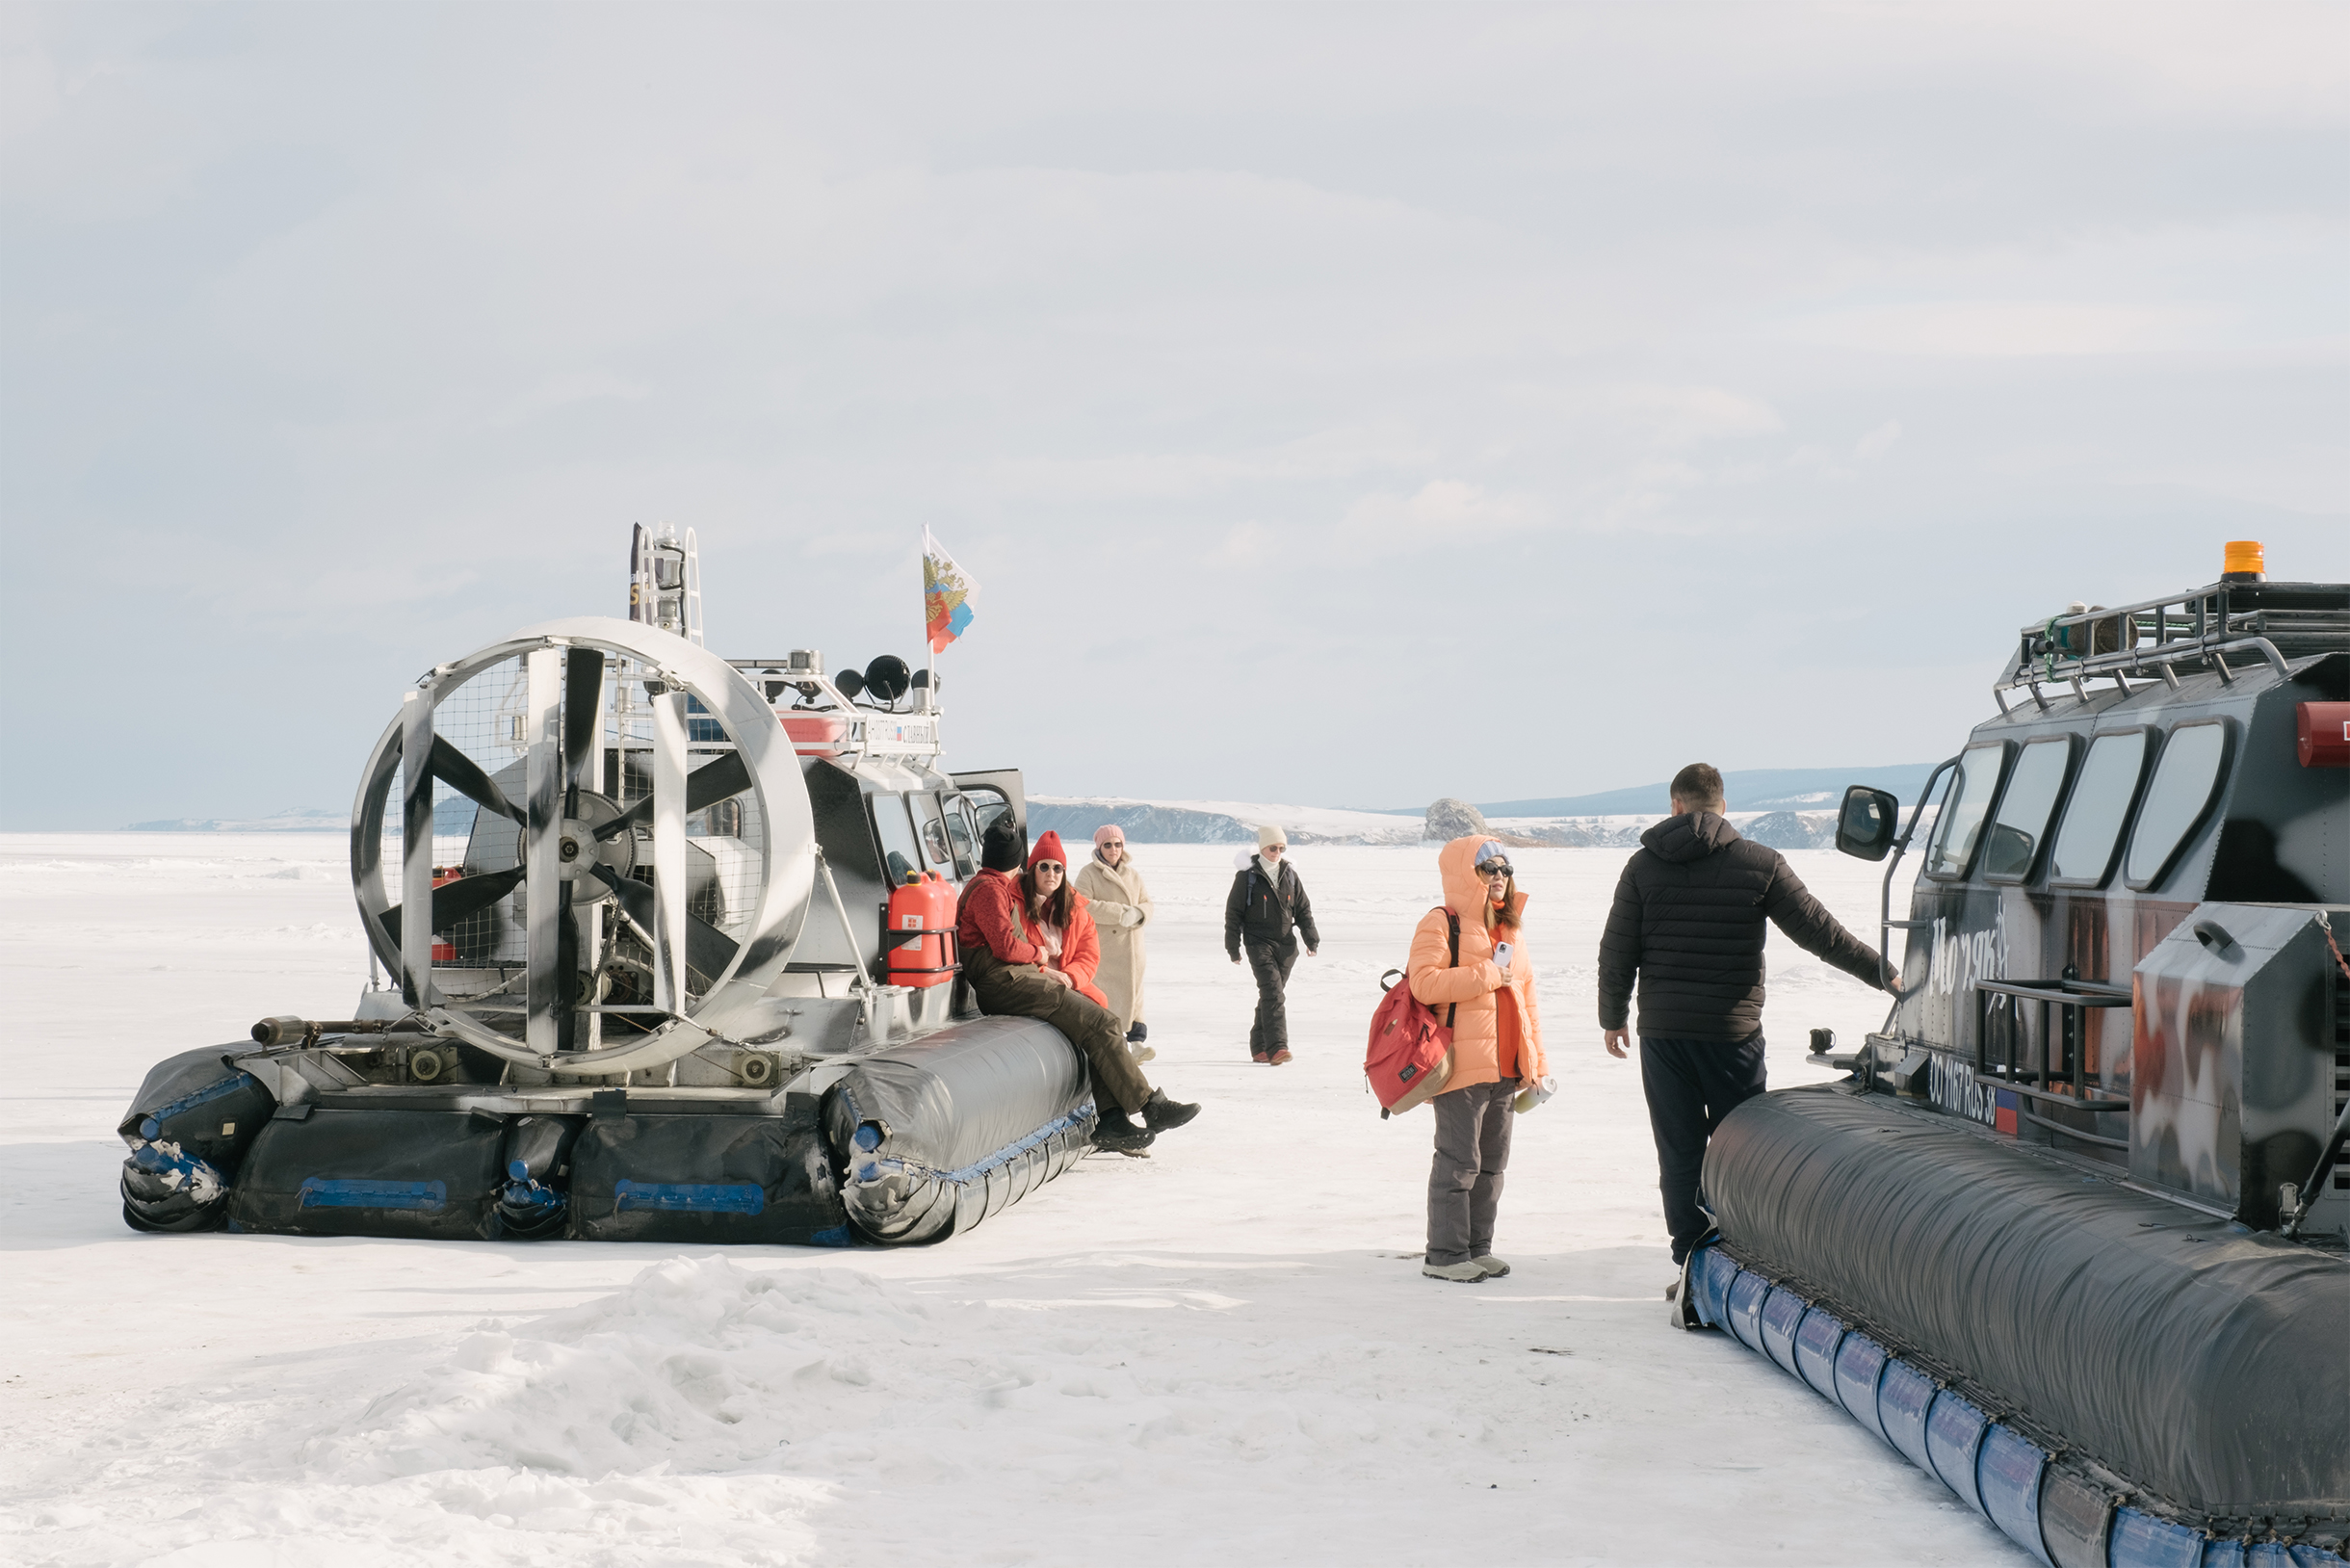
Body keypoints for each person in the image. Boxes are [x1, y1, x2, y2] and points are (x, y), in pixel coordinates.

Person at [1598, 763, 1898, 1320]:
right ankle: (1742, 1261)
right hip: (1731, 1034)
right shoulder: (1759, 862)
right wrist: (1884, 973)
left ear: (1675, 805)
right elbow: (1819, 931)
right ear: (1723, 806)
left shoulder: (1642, 865)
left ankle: (1690, 1264)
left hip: (1664, 1033)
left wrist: (1612, 1017)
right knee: (1742, 1150)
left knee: (1680, 1152)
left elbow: (1617, 950)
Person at [958, 816, 1199, 1153]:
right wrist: (1041, 956)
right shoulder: (995, 892)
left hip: (1030, 979)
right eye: (1043, 867)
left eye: (1058, 868)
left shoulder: (1043, 901)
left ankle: (1115, 1120)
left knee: (1102, 1021)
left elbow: (1086, 955)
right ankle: (1149, 1106)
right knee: (1100, 1023)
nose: (1050, 874)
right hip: (1012, 980)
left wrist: (1067, 975)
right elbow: (1006, 947)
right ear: (1023, 864)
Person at [1409, 838, 1547, 1283]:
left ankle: (1476, 1248)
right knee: (1458, 1163)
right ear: (1465, 875)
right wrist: (1486, 974)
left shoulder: (1510, 929)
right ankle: (1444, 1256)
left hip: (1506, 1068)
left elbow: (1527, 1001)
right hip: (1460, 1065)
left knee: (1491, 1166)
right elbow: (1424, 984)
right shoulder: (1441, 922)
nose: (1499, 876)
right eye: (1489, 868)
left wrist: (1537, 1065)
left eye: (1505, 868)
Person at [1224, 824, 1319, 1064]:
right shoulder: (1247, 877)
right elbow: (1233, 914)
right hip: (1258, 943)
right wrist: (1233, 947)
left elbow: (1303, 910)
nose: (1277, 852)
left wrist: (1311, 939)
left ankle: (1259, 1047)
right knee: (1273, 993)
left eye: (1281, 848)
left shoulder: (1290, 875)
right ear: (1262, 848)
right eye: (1273, 848)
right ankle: (1277, 1047)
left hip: (1286, 946)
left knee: (1271, 995)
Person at [1073, 825, 1156, 1063]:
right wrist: (1120, 913)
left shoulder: (1132, 875)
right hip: (1107, 949)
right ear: (1099, 847)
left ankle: (1137, 1043)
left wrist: (1138, 913)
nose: (1113, 849)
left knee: (1135, 996)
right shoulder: (1089, 874)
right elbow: (1082, 904)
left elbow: (1148, 903)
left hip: (1133, 949)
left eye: (1118, 844)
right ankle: (1115, 1046)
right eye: (1107, 845)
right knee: (1108, 998)